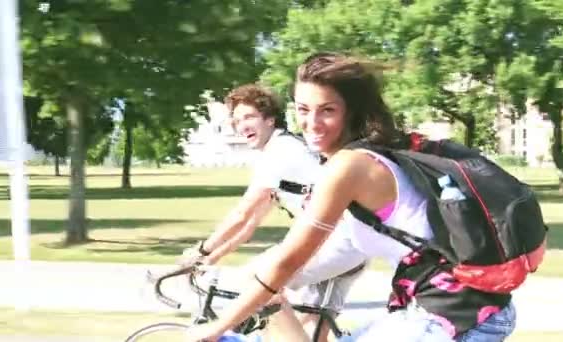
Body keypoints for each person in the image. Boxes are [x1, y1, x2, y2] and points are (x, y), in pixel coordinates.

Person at [186, 53, 516, 342]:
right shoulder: (364, 155)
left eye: (327, 110)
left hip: (455, 316)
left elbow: (289, 261)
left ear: (350, 112)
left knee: (269, 288)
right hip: (445, 307)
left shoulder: (350, 167)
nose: (311, 123)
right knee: (271, 299)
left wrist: (216, 327)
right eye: (303, 109)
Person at [183, 83, 368, 341]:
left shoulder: (281, 151)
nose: (241, 125)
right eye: (236, 120)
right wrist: (210, 258)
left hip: (337, 242)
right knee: (306, 330)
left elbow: (243, 213)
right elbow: (251, 224)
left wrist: (201, 251)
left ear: (270, 119)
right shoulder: (283, 151)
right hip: (337, 242)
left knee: (255, 285)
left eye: (249, 117)